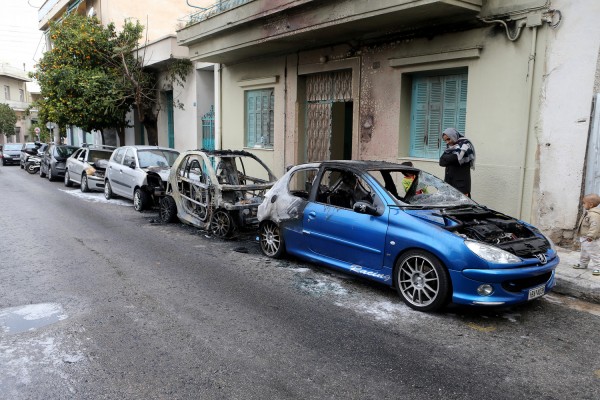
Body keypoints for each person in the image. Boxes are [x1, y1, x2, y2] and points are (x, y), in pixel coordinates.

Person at [439, 127, 475, 197]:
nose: (447, 142)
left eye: (448, 139)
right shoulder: (450, 148)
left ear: (453, 136)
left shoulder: (465, 145)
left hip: (461, 187)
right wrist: (450, 157)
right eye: (445, 140)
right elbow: (441, 162)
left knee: (462, 207)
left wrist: (447, 157)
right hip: (449, 184)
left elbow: (455, 158)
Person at [573, 194, 600, 275]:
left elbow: (595, 226)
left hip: (591, 238)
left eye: (584, 203)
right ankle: (583, 264)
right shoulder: (589, 213)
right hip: (585, 237)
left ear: (591, 204)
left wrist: (591, 236)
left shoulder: (594, 214)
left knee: (594, 253)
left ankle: (598, 267)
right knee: (584, 252)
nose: (583, 205)